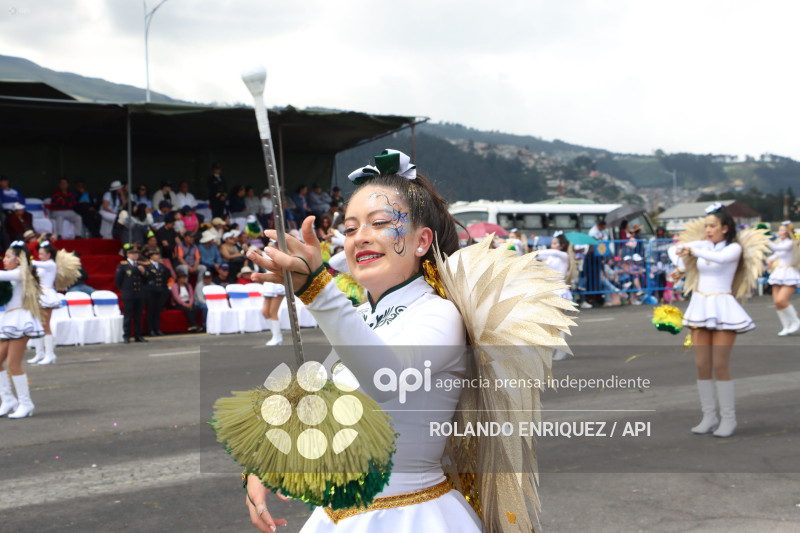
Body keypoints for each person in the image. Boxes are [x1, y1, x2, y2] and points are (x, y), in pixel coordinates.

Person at [243, 151, 483, 533]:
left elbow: (384, 378)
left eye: (381, 222)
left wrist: (319, 291)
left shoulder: (440, 316)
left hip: (411, 519)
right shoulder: (360, 318)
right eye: (351, 228)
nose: (361, 238)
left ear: (422, 241)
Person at [669, 202, 762, 438]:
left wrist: (692, 252)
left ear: (725, 227)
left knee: (720, 366)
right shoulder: (702, 245)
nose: (708, 230)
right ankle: (709, 417)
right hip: (700, 305)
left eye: (712, 226)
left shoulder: (733, 249)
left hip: (723, 307)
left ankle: (728, 419)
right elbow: (675, 250)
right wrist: (681, 266)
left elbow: (718, 260)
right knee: (702, 366)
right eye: (706, 226)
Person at [0, 241, 45, 419]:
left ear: (18, 260)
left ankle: (26, 403)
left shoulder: (22, 273)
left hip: (21, 320)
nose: (5, 259)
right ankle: (8, 399)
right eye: (5, 256)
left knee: (13, 364)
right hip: (9, 320)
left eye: (9, 256)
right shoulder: (12, 275)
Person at [535, 231, 574, 360]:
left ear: (562, 244)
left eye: (554, 242)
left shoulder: (563, 255)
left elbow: (553, 252)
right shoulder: (550, 257)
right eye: (551, 243)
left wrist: (536, 253)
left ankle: (560, 351)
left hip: (559, 291)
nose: (552, 245)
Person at [27, 240, 63, 365]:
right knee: (37, 324)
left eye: (42, 254)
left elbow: (33, 262)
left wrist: (25, 258)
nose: (40, 256)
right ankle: (40, 353)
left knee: (45, 325)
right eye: (40, 254)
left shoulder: (51, 264)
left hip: (47, 294)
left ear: (48, 254)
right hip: (39, 294)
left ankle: (50, 354)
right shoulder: (43, 264)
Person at [766, 221, 800, 335]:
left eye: (782, 230)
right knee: (777, 302)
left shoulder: (790, 243)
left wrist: (763, 240)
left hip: (789, 273)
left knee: (781, 300)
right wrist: (770, 260)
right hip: (778, 273)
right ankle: (786, 326)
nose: (780, 232)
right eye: (780, 230)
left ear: (788, 232)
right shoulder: (781, 243)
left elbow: (778, 249)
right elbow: (776, 254)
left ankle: (796, 321)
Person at [115, 243, 148, 343]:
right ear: (128, 255)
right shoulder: (123, 265)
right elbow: (118, 281)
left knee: (138, 315)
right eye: (133, 254)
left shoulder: (140, 265)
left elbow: (146, 280)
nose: (135, 255)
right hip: (129, 293)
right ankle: (126, 335)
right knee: (128, 315)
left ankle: (138, 335)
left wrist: (143, 273)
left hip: (139, 293)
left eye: (136, 254)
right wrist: (124, 289)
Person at [259, 243, 286, 347]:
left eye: (274, 245)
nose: (270, 247)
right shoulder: (266, 254)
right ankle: (276, 335)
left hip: (277, 284)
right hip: (268, 285)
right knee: (265, 312)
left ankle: (277, 337)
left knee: (272, 312)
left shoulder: (281, 255)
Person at [144, 249, 170, 336]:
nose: (157, 256)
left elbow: (167, 274)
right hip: (150, 291)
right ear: (151, 256)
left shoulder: (161, 266)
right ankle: (150, 329)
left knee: (157, 310)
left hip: (159, 290)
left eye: (158, 254)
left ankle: (157, 329)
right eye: (155, 255)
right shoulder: (147, 266)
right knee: (150, 310)